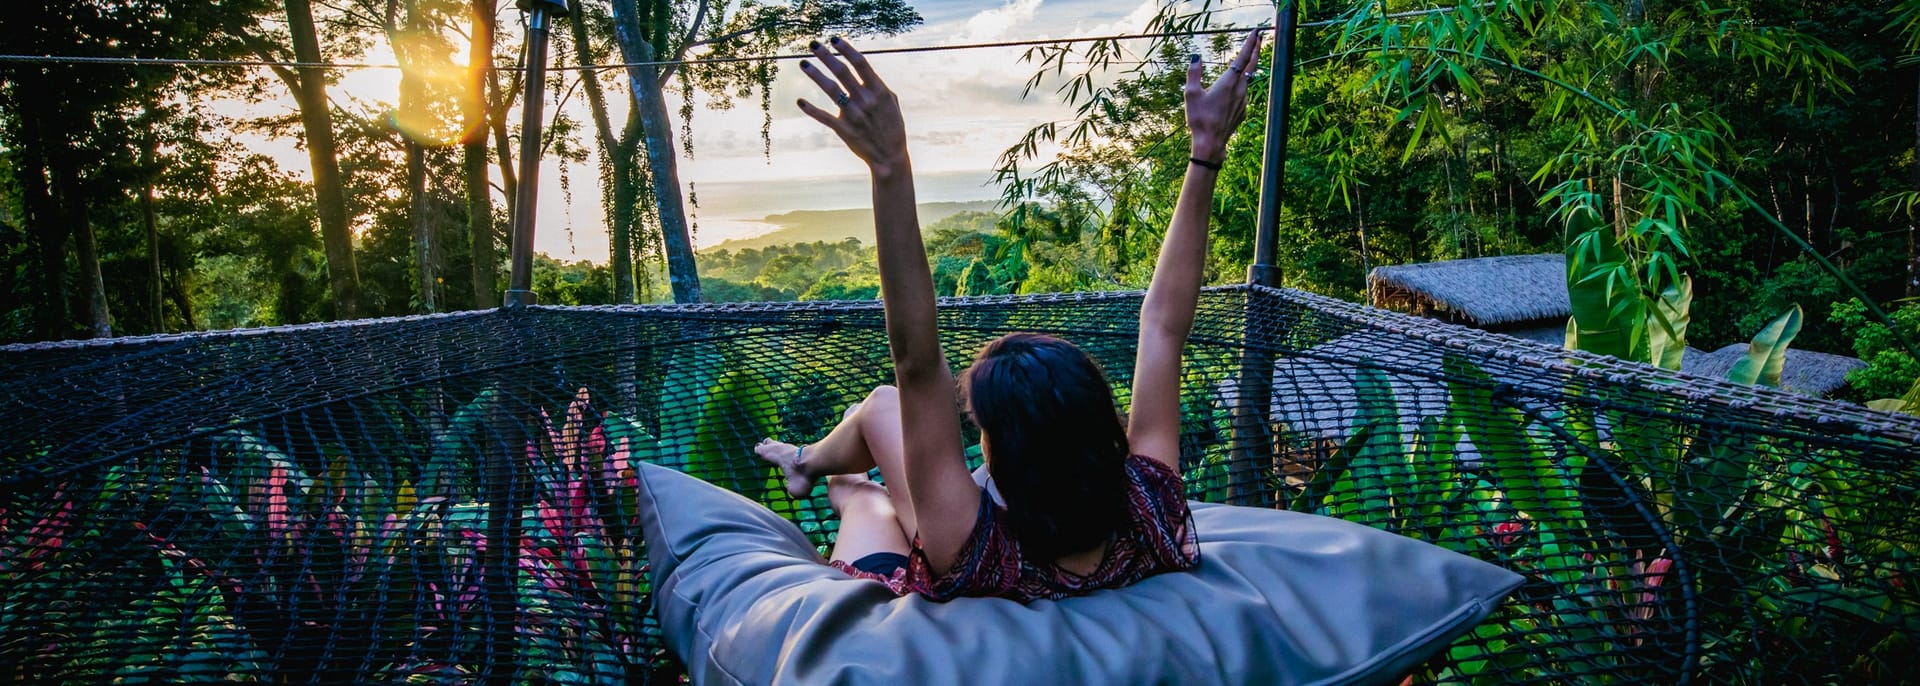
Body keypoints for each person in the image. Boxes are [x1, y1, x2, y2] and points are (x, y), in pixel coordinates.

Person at [755, 32, 1263, 603]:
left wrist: (889, 166)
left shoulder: (973, 546)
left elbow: (917, 363)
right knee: (880, 408)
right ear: (1105, 430)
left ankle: (830, 476)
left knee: (872, 478)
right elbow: (1164, 327)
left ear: (998, 459)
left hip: (916, 564)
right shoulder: (1149, 505)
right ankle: (809, 465)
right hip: (1044, 525)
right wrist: (1206, 151)